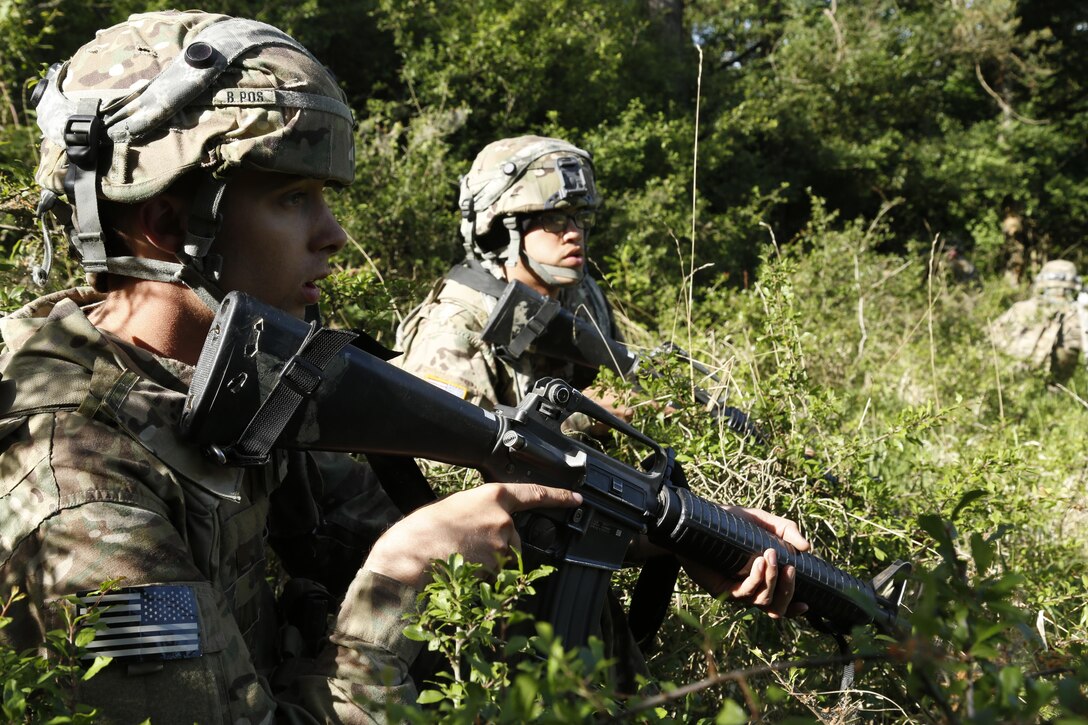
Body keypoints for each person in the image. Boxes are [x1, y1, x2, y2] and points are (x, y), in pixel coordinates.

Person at [0, 14, 808, 723]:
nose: (334, 236)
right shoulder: (79, 492)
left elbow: (396, 524)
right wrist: (399, 577)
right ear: (167, 223)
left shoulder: (242, 382)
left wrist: (675, 533)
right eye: (292, 199)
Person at [395, 135, 630, 436]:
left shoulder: (584, 295)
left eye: (581, 217)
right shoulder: (458, 324)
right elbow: (443, 457)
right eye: (554, 219)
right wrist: (584, 420)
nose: (574, 234)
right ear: (502, 231)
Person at [990, 259, 1086, 385]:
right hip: (1053, 388)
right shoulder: (1078, 316)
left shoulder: (1021, 308)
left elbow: (990, 337)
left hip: (1011, 381)